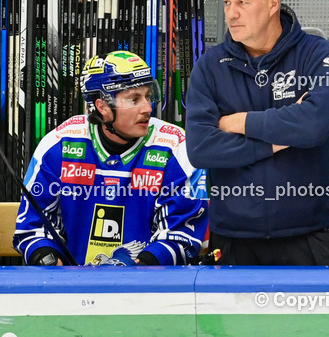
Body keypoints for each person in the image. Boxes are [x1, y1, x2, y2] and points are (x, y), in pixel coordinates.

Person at [186, 0, 329, 266]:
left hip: (309, 236)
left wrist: (239, 122)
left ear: (272, 3)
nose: (231, 13)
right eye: (226, 2)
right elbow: (201, 148)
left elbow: (313, 126)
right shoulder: (209, 66)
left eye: (242, 2)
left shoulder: (315, 54)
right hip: (233, 243)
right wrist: (276, 140)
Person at [14, 51, 208, 266]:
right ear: (102, 107)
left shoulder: (176, 147)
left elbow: (180, 234)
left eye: (147, 96)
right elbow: (33, 227)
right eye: (134, 99)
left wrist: (132, 275)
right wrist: (49, 262)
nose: (147, 108)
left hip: (150, 289)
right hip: (70, 289)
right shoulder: (59, 143)